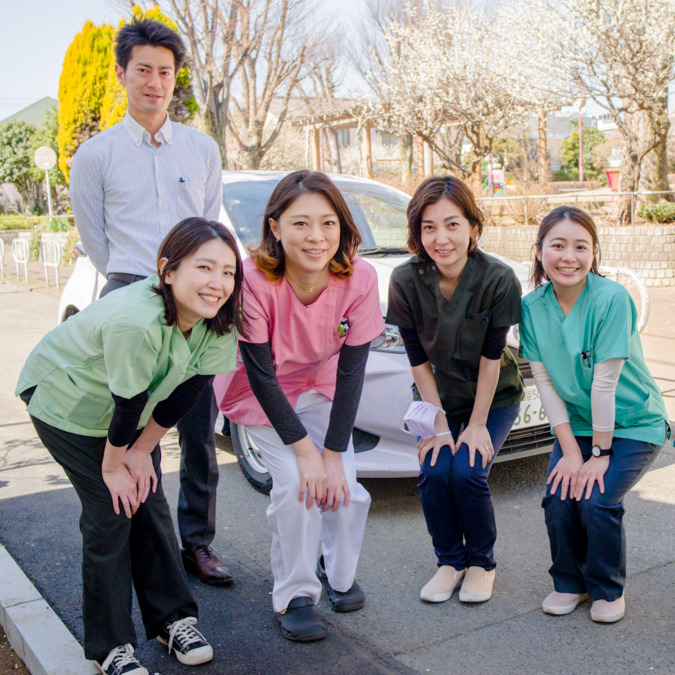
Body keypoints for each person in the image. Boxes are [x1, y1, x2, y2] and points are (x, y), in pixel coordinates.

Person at [16, 218, 244, 672]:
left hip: (129, 415)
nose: (218, 283)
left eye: (228, 272)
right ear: (167, 270)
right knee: (110, 511)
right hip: (67, 404)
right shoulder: (136, 320)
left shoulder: (217, 320)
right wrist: (115, 465)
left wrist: (141, 453)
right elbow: (128, 402)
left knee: (149, 502)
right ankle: (111, 647)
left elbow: (187, 391)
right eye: (204, 268)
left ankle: (173, 620)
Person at [68, 18, 232, 585]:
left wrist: (198, 284)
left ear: (175, 77)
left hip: (197, 300)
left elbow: (209, 222)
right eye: (144, 70)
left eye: (165, 72)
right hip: (131, 295)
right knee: (136, 426)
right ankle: (152, 543)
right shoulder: (95, 154)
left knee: (196, 428)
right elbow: (95, 239)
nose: (155, 82)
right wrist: (141, 289)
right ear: (122, 74)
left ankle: (198, 543)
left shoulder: (201, 148)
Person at [217, 170, 383, 641]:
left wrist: (330, 455)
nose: (316, 237)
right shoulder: (252, 280)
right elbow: (260, 373)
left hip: (322, 387)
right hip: (260, 393)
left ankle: (337, 573)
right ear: (274, 226)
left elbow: (352, 371)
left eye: (328, 223)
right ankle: (295, 593)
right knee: (295, 484)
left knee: (344, 485)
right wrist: (306, 455)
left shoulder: (359, 277)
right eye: (301, 223)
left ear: (343, 227)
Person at [519, 206, 669, 623]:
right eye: (558, 245)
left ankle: (605, 588)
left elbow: (604, 386)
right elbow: (545, 383)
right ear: (539, 251)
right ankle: (570, 582)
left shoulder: (612, 298)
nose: (569, 256)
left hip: (634, 423)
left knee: (597, 501)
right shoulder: (531, 306)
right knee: (559, 497)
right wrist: (570, 450)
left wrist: (599, 455)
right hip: (581, 425)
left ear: (593, 252)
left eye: (580, 246)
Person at [386, 176, 524, 605]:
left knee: (466, 471)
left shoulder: (498, 278)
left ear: (472, 227)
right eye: (428, 227)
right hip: (434, 395)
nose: (440, 238)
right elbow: (416, 358)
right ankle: (450, 562)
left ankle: (481, 564)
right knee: (433, 470)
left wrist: (477, 424)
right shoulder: (405, 280)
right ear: (417, 232)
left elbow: (491, 356)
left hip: (492, 395)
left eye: (452, 224)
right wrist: (440, 424)